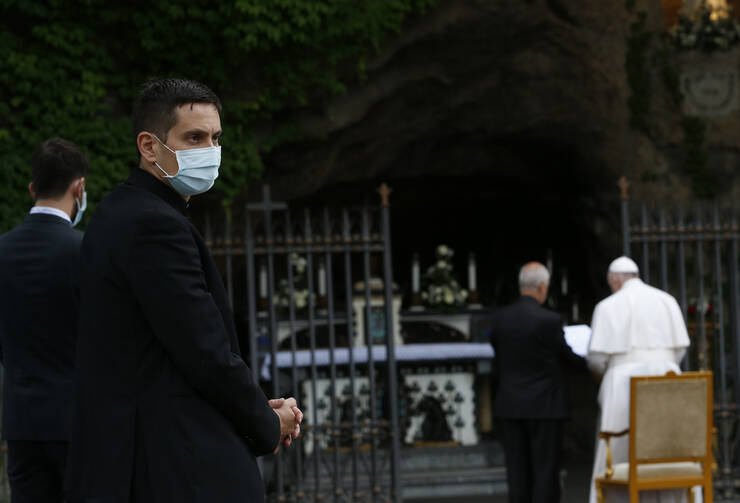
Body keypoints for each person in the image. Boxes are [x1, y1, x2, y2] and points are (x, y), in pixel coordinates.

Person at [65, 78, 302, 503]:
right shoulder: (154, 225)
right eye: (194, 137)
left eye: (215, 138)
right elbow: (205, 353)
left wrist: (254, 410)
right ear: (149, 146)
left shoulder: (122, 210)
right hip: (173, 464)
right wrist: (267, 425)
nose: (209, 150)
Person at [0, 138, 88, 502]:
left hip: (21, 423)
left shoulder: (1, 251)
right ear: (79, 187)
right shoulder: (86, 250)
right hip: (79, 422)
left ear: (32, 188)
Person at [587, 256, 691, 503]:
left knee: (619, 448)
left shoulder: (606, 306)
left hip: (620, 383)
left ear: (614, 279)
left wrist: (610, 373)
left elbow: (595, 358)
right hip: (667, 381)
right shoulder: (667, 301)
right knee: (667, 447)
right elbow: (680, 350)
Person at [490, 262, 587, 503]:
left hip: (511, 405)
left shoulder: (500, 319)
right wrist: (589, 361)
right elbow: (567, 359)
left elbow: (498, 359)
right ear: (543, 287)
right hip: (545, 406)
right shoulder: (550, 320)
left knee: (517, 470)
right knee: (545, 470)